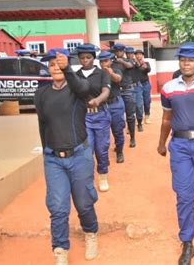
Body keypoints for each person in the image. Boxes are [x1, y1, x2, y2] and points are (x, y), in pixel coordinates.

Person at [35, 48, 99, 264]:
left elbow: (83, 88)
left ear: (66, 64)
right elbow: (42, 124)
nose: (55, 68)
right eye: (51, 64)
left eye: (59, 63)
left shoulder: (77, 88)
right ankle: (60, 249)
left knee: (83, 203)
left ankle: (91, 233)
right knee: (58, 207)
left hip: (79, 156)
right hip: (54, 159)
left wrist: (68, 69)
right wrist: (46, 151)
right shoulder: (42, 93)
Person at [157, 42, 194, 265]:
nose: (186, 63)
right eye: (183, 60)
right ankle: (187, 242)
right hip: (180, 145)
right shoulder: (169, 88)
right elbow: (166, 118)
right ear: (179, 62)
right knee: (183, 194)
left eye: (191, 60)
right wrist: (162, 143)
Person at [76, 44, 111, 192]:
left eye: (88, 57)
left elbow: (106, 91)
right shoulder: (75, 76)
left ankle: (103, 176)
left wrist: (98, 99)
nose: (85, 60)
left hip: (101, 115)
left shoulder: (102, 74)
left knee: (101, 148)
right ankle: (88, 179)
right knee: (86, 149)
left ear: (93, 58)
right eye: (82, 58)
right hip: (83, 117)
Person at [99, 50, 126, 164]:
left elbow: (118, 79)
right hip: (102, 106)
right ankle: (104, 157)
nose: (104, 63)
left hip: (115, 104)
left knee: (118, 130)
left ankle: (119, 152)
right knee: (102, 134)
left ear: (110, 61)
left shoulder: (116, 69)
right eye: (101, 61)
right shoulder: (97, 73)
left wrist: (110, 73)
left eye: (106, 61)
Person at [111, 43, 136, 147]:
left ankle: (132, 138)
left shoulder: (129, 61)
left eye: (120, 51)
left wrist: (121, 61)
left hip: (127, 91)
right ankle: (119, 142)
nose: (118, 53)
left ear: (123, 52)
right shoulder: (112, 63)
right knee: (117, 119)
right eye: (116, 51)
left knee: (130, 116)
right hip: (116, 92)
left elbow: (130, 66)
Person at [125, 47, 145, 132]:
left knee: (138, 106)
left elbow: (138, 65)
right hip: (127, 87)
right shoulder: (124, 62)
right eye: (128, 53)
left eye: (131, 53)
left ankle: (139, 123)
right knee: (129, 108)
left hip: (137, 86)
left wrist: (135, 61)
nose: (130, 55)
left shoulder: (135, 62)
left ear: (133, 54)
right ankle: (130, 126)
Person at [135, 49, 153, 123]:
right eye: (137, 54)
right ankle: (139, 118)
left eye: (140, 54)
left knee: (147, 101)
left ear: (142, 55)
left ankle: (147, 116)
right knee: (138, 103)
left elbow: (148, 69)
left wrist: (144, 66)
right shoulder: (133, 64)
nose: (138, 55)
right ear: (135, 56)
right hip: (137, 85)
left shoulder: (146, 63)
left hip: (146, 84)